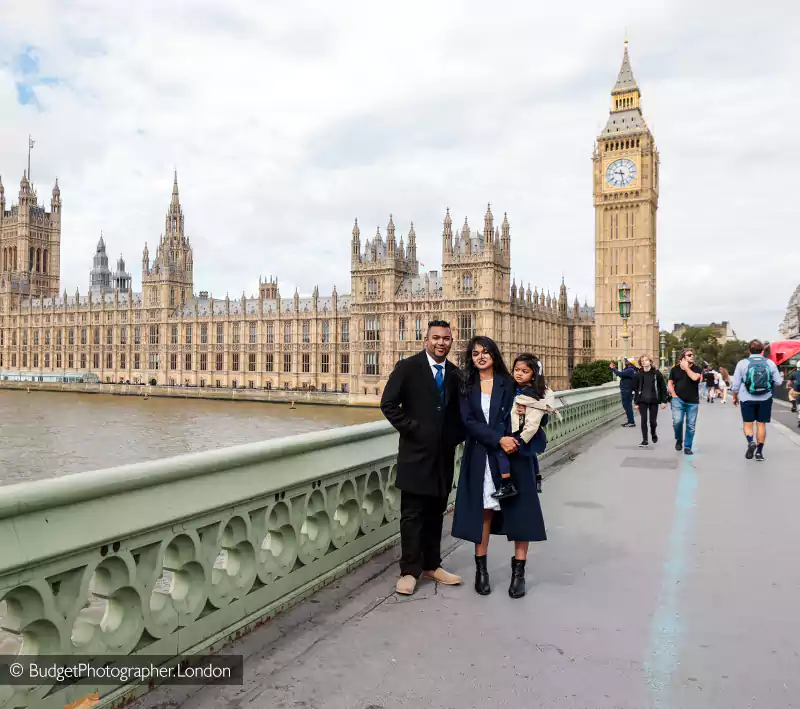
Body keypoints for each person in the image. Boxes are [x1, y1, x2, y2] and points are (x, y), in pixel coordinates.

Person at [452, 337, 547, 599]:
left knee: (520, 512)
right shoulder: (466, 385)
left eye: (485, 352)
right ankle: (481, 572)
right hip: (482, 453)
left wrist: (516, 437)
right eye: (475, 354)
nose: (480, 357)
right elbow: (467, 421)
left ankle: (519, 575)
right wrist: (497, 439)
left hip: (514, 453)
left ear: (495, 354)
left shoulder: (510, 382)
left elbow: (535, 405)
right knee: (483, 511)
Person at [380, 320, 465, 596]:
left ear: (452, 341)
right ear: (425, 339)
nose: (442, 343)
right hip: (415, 455)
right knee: (412, 515)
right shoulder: (408, 367)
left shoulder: (455, 374)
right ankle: (409, 571)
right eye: (437, 338)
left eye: (447, 339)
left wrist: (454, 436)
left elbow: (464, 413)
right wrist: (414, 429)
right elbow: (388, 405)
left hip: (443, 456)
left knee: (436, 513)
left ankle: (432, 564)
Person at [507, 352, 559, 494]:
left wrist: (529, 410)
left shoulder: (537, 392)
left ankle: (533, 481)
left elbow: (543, 419)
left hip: (526, 434)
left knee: (528, 460)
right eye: (516, 370)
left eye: (525, 371)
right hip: (512, 430)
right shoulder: (510, 388)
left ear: (534, 374)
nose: (519, 374)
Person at [731, 339, 783, 461]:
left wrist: (735, 397)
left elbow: (736, 385)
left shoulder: (742, 363)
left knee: (748, 424)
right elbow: (779, 382)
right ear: (762, 351)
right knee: (761, 424)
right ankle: (759, 452)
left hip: (746, 398)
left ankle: (751, 441)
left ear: (749, 350)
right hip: (765, 398)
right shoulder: (770, 363)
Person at [667, 349, 703, 455]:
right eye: (689, 355)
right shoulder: (675, 370)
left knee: (691, 426)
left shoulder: (697, 369)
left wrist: (686, 368)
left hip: (693, 402)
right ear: (683, 358)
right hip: (678, 400)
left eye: (693, 354)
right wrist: (674, 395)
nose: (692, 356)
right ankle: (679, 439)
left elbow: (695, 378)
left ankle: (687, 446)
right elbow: (670, 383)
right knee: (677, 422)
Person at [632, 354, 668, 448]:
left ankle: (653, 432)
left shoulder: (657, 373)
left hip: (654, 400)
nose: (644, 362)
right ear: (641, 363)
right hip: (642, 400)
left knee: (653, 421)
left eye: (646, 360)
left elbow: (663, 387)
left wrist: (664, 401)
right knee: (643, 420)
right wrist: (636, 402)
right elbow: (635, 389)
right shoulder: (638, 374)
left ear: (650, 362)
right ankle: (645, 440)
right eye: (642, 361)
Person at [610, 358, 638, 427]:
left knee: (627, 405)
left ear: (630, 363)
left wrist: (613, 368)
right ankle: (630, 421)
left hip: (627, 390)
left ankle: (631, 421)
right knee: (627, 405)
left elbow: (620, 374)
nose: (625, 361)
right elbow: (621, 374)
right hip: (627, 390)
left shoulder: (630, 370)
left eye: (626, 361)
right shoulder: (631, 369)